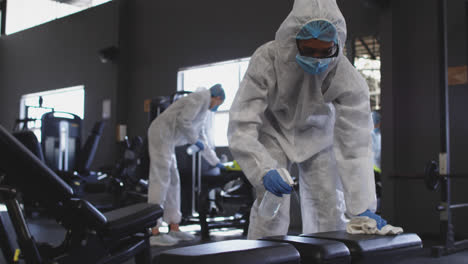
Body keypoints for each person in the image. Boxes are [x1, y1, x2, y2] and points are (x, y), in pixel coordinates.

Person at [228, 0, 387, 240]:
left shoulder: (346, 77)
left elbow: (355, 145)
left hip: (318, 135)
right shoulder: (266, 60)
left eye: (325, 51)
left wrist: (362, 206)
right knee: (272, 206)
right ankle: (262, 255)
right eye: (309, 49)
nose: (317, 59)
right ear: (292, 40)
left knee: (327, 203)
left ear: (337, 45)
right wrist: (262, 169)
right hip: (272, 131)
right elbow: (242, 124)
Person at [148, 84, 226, 246]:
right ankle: (154, 230)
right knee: (160, 180)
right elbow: (184, 121)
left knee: (174, 181)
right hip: (161, 134)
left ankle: (174, 227)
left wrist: (216, 162)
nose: (217, 107)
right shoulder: (198, 98)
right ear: (217, 98)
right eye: (219, 103)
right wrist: (194, 140)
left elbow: (202, 137)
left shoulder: (203, 109)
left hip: (167, 140)